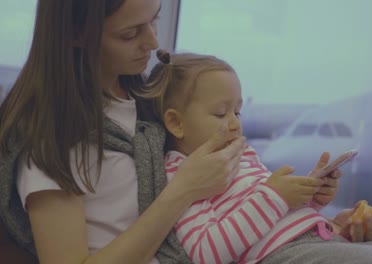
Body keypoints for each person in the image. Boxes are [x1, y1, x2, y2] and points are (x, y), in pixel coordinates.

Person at [0, 1, 344, 264]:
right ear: (75, 35)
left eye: (155, 18)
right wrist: (182, 191)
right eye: (130, 33)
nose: (152, 42)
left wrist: (309, 216)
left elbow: (230, 204)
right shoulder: (51, 139)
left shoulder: (149, 105)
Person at [137, 50, 372, 264]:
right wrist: (275, 196)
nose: (236, 123)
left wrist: (310, 200)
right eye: (221, 113)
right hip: (287, 254)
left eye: (238, 111)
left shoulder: (242, 153)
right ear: (175, 122)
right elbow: (206, 254)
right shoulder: (181, 175)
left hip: (322, 235)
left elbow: (269, 212)